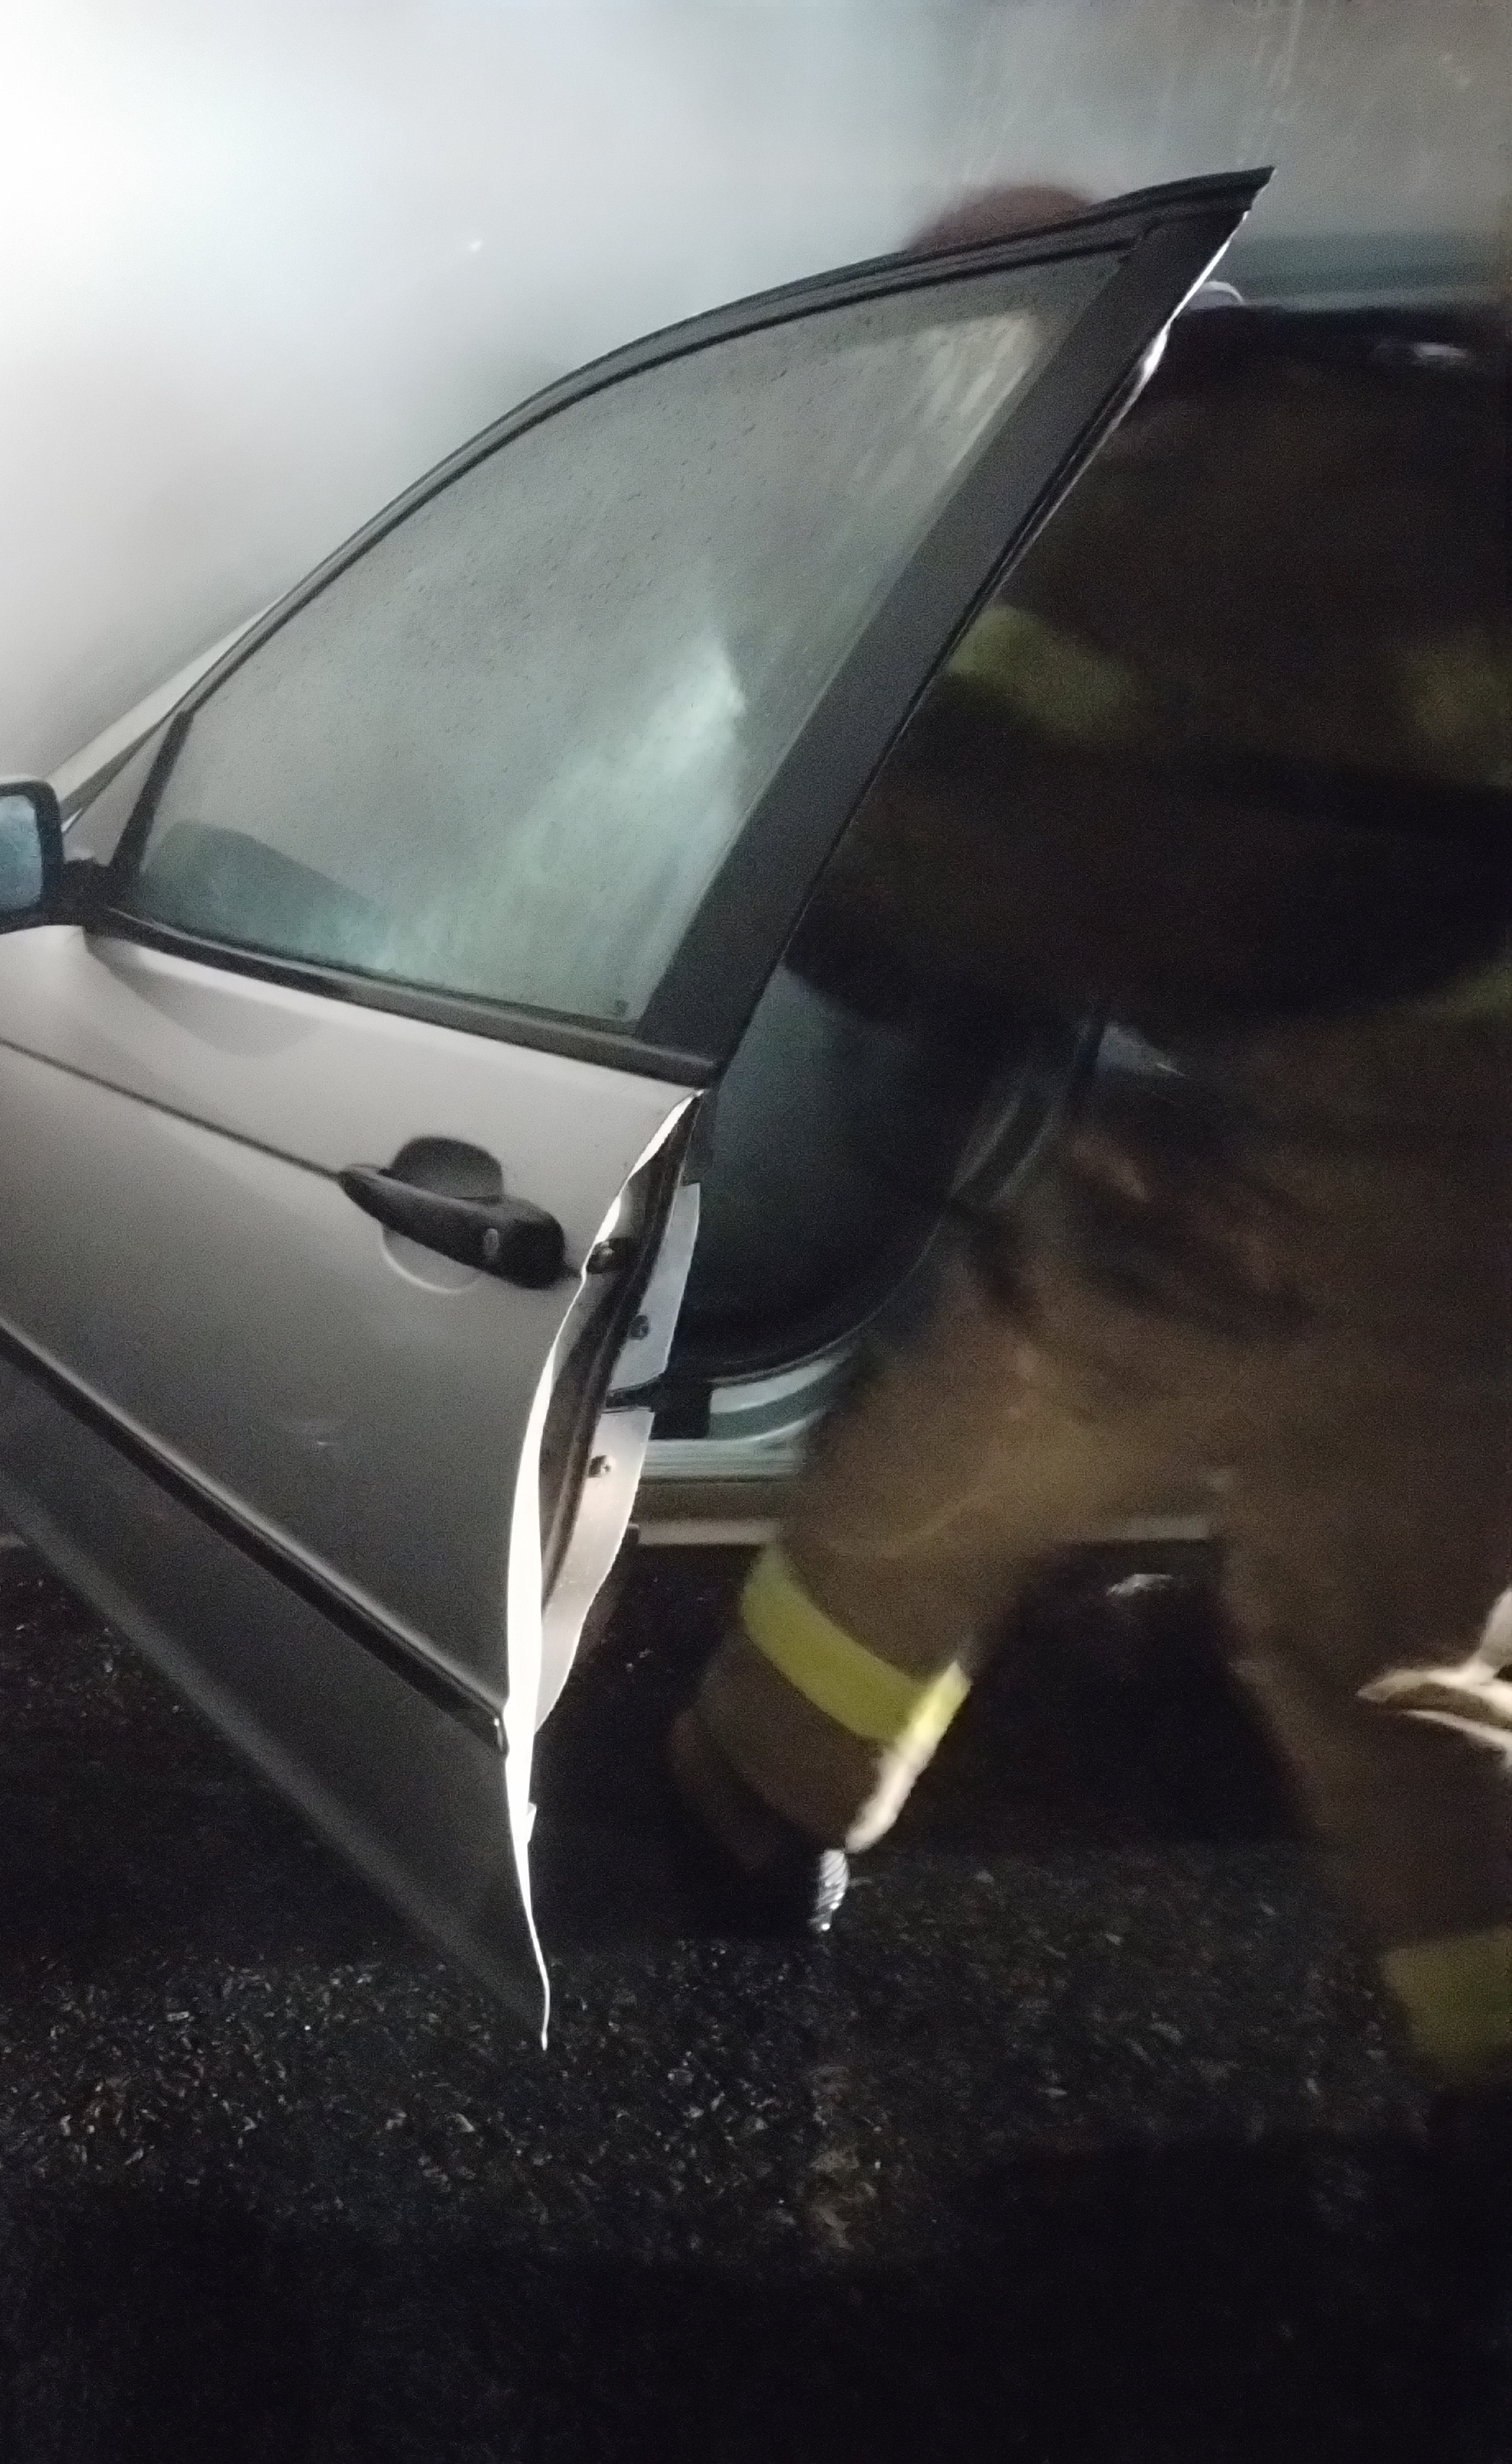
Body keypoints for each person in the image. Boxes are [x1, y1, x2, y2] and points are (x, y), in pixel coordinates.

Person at [663, 200, 1512, 2197]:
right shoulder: (1393, 445)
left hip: (1365, 1163)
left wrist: (835, 890)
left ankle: (736, 1821)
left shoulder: (1181, 512)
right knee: (1378, 1623)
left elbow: (953, 841)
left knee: (978, 1473)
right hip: (1428, 1158)